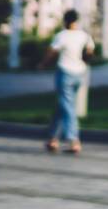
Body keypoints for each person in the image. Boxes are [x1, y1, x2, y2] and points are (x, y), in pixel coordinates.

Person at [39, 9, 96, 154]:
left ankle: (74, 140)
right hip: (80, 74)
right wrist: (84, 61)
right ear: (76, 21)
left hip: (65, 73)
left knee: (68, 107)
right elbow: (90, 51)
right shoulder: (84, 35)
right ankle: (52, 139)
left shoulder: (61, 36)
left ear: (65, 21)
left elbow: (52, 52)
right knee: (63, 105)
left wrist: (43, 64)